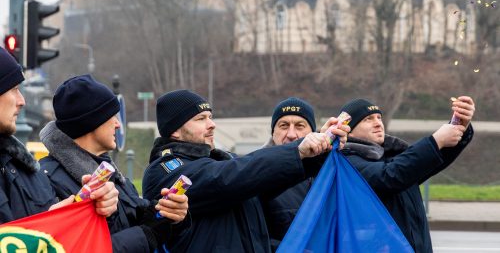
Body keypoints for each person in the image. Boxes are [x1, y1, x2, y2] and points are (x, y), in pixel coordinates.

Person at [143, 90, 348, 252]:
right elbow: (227, 177)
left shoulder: (221, 160)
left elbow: (264, 179)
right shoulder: (165, 169)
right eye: (201, 119)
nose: (212, 124)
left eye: (210, 117)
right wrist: (296, 149)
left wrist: (321, 150)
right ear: (175, 130)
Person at [39, 74, 189, 253]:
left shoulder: (112, 174)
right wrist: (146, 235)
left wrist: (171, 217)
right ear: (92, 121)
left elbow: (135, 222)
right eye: (112, 116)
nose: (118, 124)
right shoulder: (49, 181)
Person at [339, 96, 475, 253]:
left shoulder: (391, 155)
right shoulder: (346, 160)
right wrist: (436, 140)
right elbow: (389, 176)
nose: (378, 123)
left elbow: (430, 160)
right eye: (368, 119)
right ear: (348, 129)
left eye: (379, 117)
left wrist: (460, 126)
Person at [0, 48, 119, 225]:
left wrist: (95, 209)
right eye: (14, 89)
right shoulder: (34, 169)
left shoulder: (26, 168)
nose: (22, 101)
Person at [260, 97, 317, 251]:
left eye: (300, 126)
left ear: (313, 132)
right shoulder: (256, 176)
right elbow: (253, 237)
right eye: (284, 126)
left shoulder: (328, 172)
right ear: (273, 133)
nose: (291, 134)